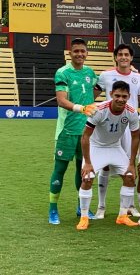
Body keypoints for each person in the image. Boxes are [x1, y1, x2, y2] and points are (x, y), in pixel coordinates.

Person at [48, 38, 99, 225]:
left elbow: (98, 87)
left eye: (82, 51)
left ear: (87, 53)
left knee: (83, 170)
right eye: (76, 51)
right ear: (70, 53)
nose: (79, 54)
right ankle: (53, 209)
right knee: (60, 170)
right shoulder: (63, 72)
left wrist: (131, 70)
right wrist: (81, 108)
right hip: (67, 130)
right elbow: (61, 100)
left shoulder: (90, 72)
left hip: (86, 131)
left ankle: (81, 207)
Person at [77, 81, 140, 230]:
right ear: (111, 94)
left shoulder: (131, 112)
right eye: (117, 95)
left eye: (124, 96)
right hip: (96, 146)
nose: (120, 99)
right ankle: (84, 217)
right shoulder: (99, 110)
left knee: (130, 177)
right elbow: (85, 137)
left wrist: (132, 163)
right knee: (87, 178)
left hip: (115, 147)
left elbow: (136, 137)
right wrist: (87, 162)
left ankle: (122, 215)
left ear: (129, 96)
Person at [94, 43, 140, 219]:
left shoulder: (139, 77)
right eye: (120, 54)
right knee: (105, 166)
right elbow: (92, 95)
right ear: (115, 57)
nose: (123, 57)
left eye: (127, 55)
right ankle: (101, 207)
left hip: (129, 127)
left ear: (131, 58)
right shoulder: (106, 75)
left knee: (130, 165)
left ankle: (129, 206)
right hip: (108, 127)